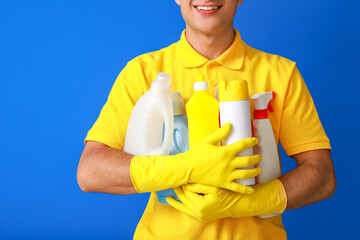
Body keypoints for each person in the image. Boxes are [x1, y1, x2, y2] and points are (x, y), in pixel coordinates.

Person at [77, 0, 336, 239]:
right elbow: (90, 172)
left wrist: (252, 202)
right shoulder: (144, 74)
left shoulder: (281, 74)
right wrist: (186, 167)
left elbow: (322, 176)